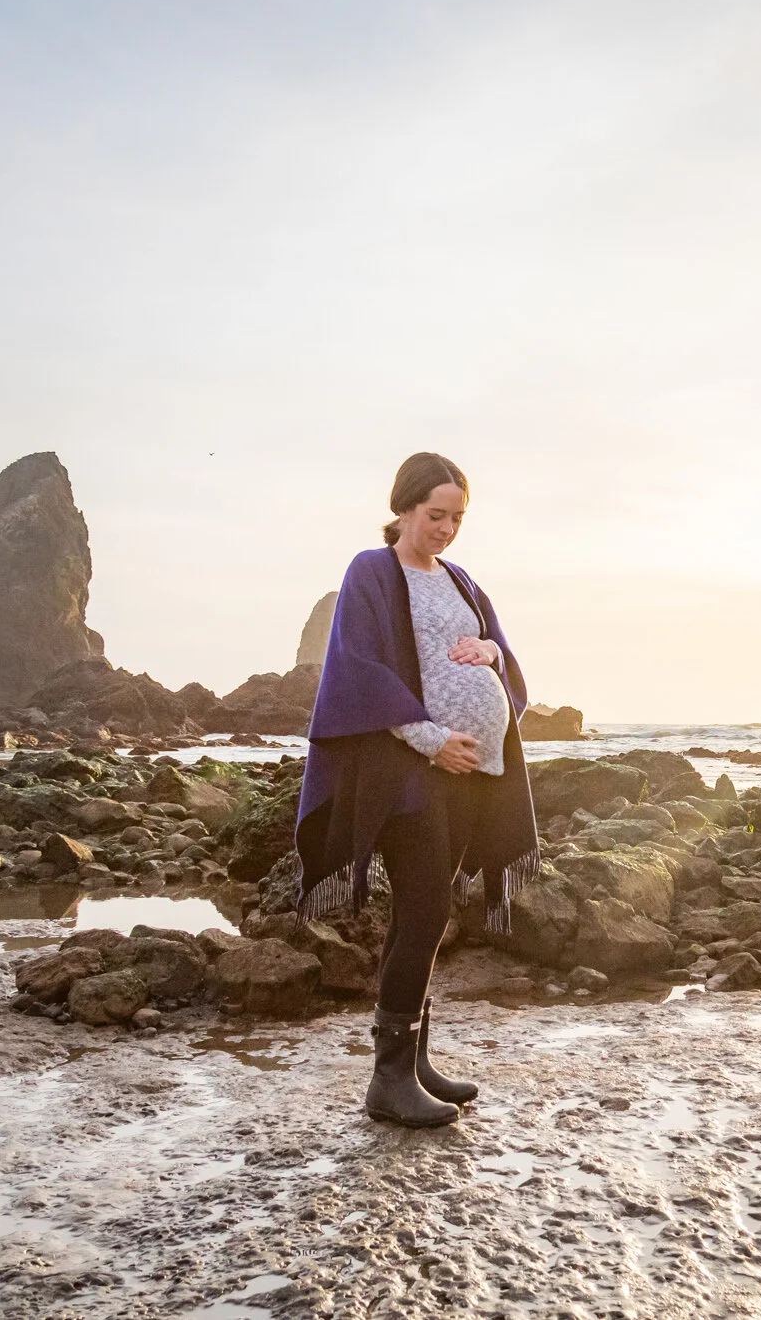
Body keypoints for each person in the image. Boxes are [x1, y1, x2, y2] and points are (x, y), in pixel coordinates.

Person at [293, 452, 539, 1128]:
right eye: (436, 515)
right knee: (426, 910)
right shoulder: (371, 572)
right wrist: (433, 739)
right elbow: (358, 669)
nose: (447, 529)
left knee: (423, 913)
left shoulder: (461, 579)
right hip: (409, 775)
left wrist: (489, 654)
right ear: (403, 507)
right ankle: (387, 1079)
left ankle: (415, 1059)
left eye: (458, 517)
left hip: (471, 777)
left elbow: (502, 653)